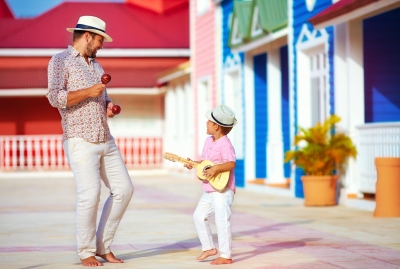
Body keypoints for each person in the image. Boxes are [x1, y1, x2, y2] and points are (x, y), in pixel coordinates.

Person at [46, 16, 134, 267]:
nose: (102, 45)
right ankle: (85, 251)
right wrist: (89, 92)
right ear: (87, 36)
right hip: (79, 138)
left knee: (125, 190)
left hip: (105, 137)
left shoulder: (96, 66)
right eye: (99, 40)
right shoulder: (59, 61)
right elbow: (54, 97)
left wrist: (109, 106)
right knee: (90, 194)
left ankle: (102, 246)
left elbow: (102, 97)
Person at [184, 104, 237, 265]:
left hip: (222, 190)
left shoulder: (225, 143)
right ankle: (208, 248)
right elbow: (205, 162)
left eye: (208, 121)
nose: (206, 123)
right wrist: (193, 163)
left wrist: (217, 168)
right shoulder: (208, 141)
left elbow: (231, 163)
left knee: (222, 220)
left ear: (216, 126)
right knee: (198, 216)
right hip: (209, 189)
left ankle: (226, 255)